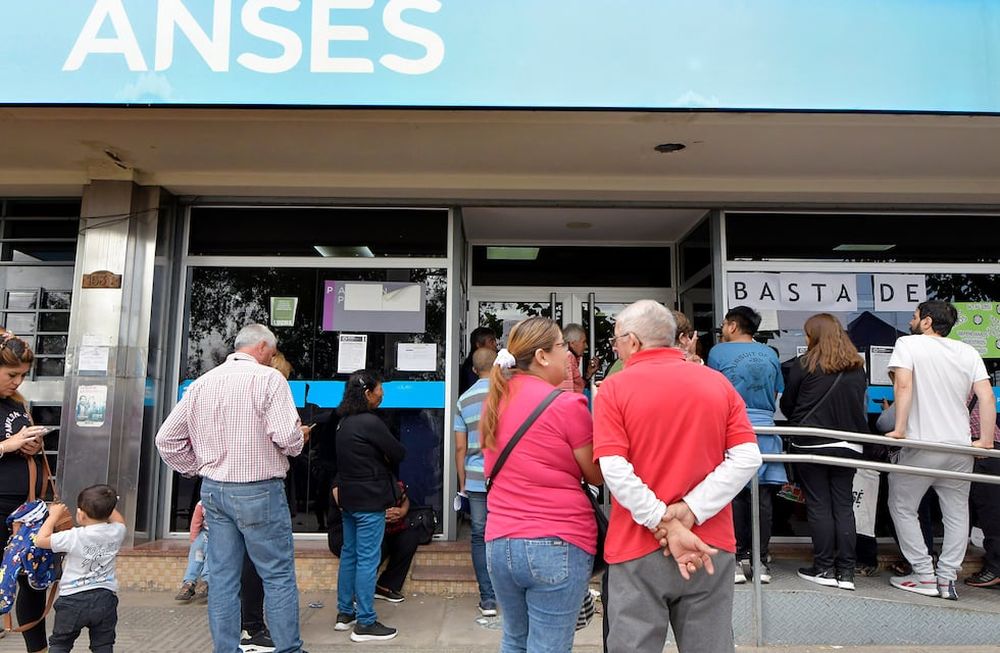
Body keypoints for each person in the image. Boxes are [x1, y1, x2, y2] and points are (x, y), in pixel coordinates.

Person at [594, 300, 762, 653]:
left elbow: (613, 469)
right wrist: (692, 510)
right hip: (710, 544)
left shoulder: (613, 389)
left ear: (634, 342)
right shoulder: (717, 384)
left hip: (636, 544)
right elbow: (748, 458)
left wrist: (663, 520)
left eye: (616, 341)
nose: (616, 348)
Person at [155, 324, 309, 653]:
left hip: (214, 490)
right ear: (264, 347)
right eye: (272, 351)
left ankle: (226, 649)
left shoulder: (201, 384)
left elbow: (166, 440)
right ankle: (289, 650)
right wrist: (299, 439)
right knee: (277, 575)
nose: (272, 356)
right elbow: (288, 439)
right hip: (259, 490)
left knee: (223, 579)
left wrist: (198, 468)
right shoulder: (270, 379)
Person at [480, 317, 603, 652]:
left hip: (499, 542)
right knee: (549, 645)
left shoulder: (494, 402)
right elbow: (595, 475)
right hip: (556, 540)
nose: (569, 355)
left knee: (515, 639)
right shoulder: (567, 403)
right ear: (542, 356)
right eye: (563, 346)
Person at [886, 300, 996, 601]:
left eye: (914, 316)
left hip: (922, 442)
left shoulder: (907, 344)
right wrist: (985, 439)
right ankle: (947, 579)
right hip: (959, 445)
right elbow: (986, 396)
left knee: (902, 506)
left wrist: (899, 428)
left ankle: (923, 574)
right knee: (957, 513)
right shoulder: (967, 351)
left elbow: (904, 387)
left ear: (927, 322)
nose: (911, 320)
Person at [780, 313, 868, 591]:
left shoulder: (804, 364)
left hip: (812, 445)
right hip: (848, 444)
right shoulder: (857, 366)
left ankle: (824, 568)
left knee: (819, 505)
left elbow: (788, 404)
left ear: (814, 336)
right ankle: (846, 572)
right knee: (843, 506)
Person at [707, 305, 786, 583]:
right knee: (763, 497)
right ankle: (761, 561)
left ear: (732, 326)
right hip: (765, 428)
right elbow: (778, 390)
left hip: (732, 426)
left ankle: (738, 559)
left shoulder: (717, 352)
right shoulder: (770, 354)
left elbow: (711, 390)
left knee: (735, 495)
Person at [334, 369, 406, 642]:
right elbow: (399, 452)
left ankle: (344, 613)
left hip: (350, 500)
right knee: (367, 559)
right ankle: (365, 622)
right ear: (367, 394)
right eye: (379, 391)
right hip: (369, 501)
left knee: (350, 554)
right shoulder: (370, 422)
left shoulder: (344, 422)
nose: (382, 395)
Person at [0, 330, 51, 653]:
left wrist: (32, 445)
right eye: (11, 374)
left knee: (34, 582)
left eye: (23, 375)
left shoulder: (16, 403)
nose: (18, 381)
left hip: (26, 508)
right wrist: (8, 445)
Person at [36, 484, 127, 653]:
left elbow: (41, 540)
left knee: (60, 644)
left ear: (81, 514)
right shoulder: (117, 531)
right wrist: (109, 502)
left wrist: (53, 516)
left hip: (73, 600)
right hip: (105, 598)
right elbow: (119, 520)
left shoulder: (74, 536)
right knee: (103, 645)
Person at [453, 347, 499, 617]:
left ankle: (488, 599)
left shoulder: (464, 400)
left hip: (475, 478)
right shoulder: (509, 393)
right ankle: (511, 594)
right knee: (506, 532)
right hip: (506, 477)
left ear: (473, 369)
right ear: (497, 366)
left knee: (480, 535)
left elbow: (460, 448)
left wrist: (463, 482)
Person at [328, 480, 422, 604]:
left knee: (409, 536)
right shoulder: (342, 479)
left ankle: (385, 585)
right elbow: (349, 510)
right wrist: (378, 516)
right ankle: (358, 591)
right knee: (376, 544)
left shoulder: (381, 475)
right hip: (346, 533)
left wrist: (402, 511)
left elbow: (404, 498)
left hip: (379, 528)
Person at [966, 396, 1000, 589]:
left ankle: (996, 569)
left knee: (991, 513)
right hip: (992, 446)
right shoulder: (974, 384)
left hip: (982, 450)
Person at [175, 500, 209, 601]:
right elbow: (196, 523)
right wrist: (194, 541)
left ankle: (206, 582)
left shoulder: (224, 501)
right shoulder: (201, 504)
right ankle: (189, 582)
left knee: (211, 555)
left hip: (219, 535)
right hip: (205, 533)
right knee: (197, 554)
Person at [559, 323, 600, 393]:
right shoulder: (568, 357)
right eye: (583, 342)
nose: (586, 346)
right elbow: (568, 393)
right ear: (572, 343)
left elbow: (577, 388)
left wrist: (588, 374)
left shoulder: (569, 357)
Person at [459, 327, 498, 395]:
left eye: (495, 341)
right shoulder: (470, 368)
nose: (495, 344)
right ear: (479, 345)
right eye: (491, 341)